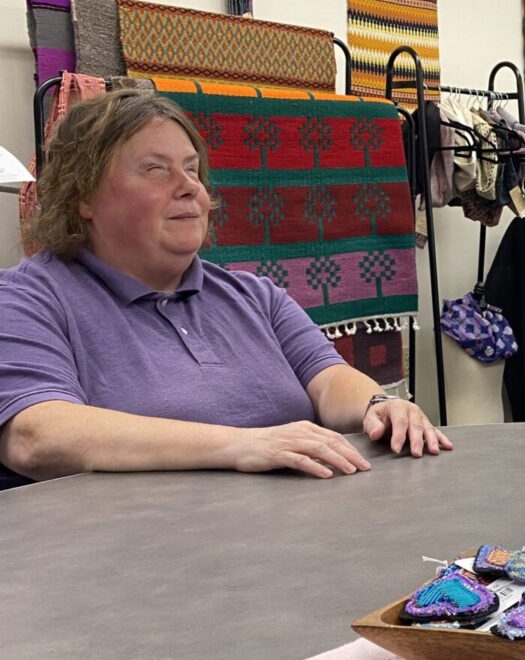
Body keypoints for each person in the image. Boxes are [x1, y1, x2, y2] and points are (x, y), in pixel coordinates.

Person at [0, 90, 451, 483]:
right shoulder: (28, 299)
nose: (190, 189)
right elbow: (36, 435)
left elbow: (328, 380)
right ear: (83, 196)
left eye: (193, 170)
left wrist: (378, 404)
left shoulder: (255, 295)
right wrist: (242, 446)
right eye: (157, 170)